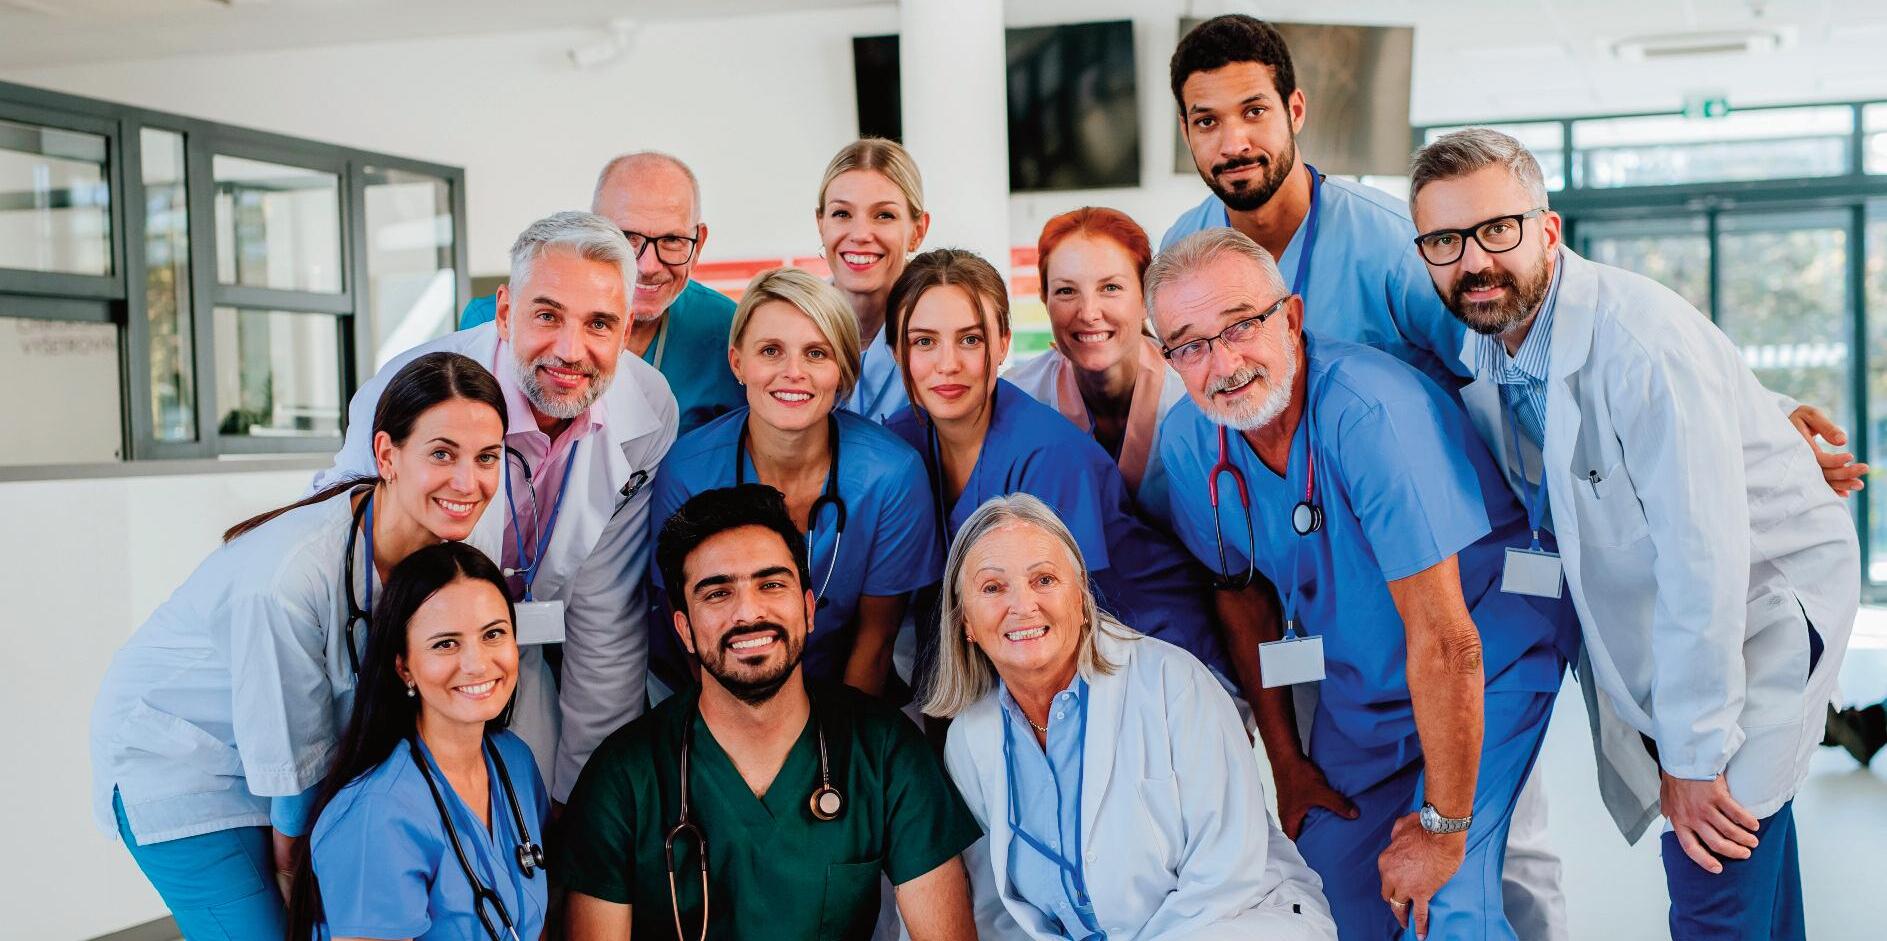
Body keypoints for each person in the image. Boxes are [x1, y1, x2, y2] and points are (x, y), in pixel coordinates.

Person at [1408, 128, 1862, 941]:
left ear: (1547, 230)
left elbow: (1702, 562)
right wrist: (1769, 419)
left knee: (1712, 867)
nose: (1473, 261)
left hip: (1764, 605)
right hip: (1684, 625)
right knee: (1757, 865)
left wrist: (1692, 758)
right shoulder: (1489, 347)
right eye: (1444, 241)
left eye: (1496, 229)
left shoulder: (1634, 341)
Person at [1149, 228, 1578, 940]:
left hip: (1485, 656)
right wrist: (1287, 763)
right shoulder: (1190, 444)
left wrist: (1442, 827)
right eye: (1188, 345)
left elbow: (1447, 641)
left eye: (1240, 325)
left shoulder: (1369, 413)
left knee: (1442, 900)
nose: (1222, 363)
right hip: (1366, 688)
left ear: (1289, 318)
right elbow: (1240, 595)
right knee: (1320, 899)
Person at [90, 352, 508, 940]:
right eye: (442, 454)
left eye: (486, 457)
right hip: (183, 763)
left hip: (291, 766)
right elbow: (289, 761)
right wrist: (298, 878)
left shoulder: (447, 536)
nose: (468, 482)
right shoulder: (287, 579)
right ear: (386, 454)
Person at [314, 211, 679, 802]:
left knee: (542, 808)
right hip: (396, 655)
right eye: (547, 315)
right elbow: (348, 568)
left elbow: (607, 610)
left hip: (515, 655)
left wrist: (584, 799)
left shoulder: (649, 408)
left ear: (626, 328)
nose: (571, 350)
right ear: (505, 313)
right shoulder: (412, 389)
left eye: (599, 323)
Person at [556, 485, 980, 940]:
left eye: (771, 585)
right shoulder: (624, 776)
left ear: (808, 609)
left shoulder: (883, 750)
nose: (748, 613)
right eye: (717, 594)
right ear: (685, 630)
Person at [927, 492, 1337, 940]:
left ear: (1081, 597)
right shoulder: (971, 740)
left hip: (1236, 923)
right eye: (992, 588)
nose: (1023, 605)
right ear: (965, 621)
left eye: (1044, 580)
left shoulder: (1173, 683)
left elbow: (1225, 875)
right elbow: (999, 912)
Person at [883, 248, 1231, 689]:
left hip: (1150, 656)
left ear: (1003, 343)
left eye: (970, 340)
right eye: (924, 342)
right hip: (1016, 659)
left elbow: (1062, 623)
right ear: (896, 351)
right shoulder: (900, 446)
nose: (947, 364)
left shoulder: (1049, 456)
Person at [648, 266, 941, 696]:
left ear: (843, 370)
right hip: (714, 693)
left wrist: (833, 737)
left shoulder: (892, 475)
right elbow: (692, 636)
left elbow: (876, 642)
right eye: (771, 351)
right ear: (737, 362)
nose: (793, 372)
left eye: (816, 354)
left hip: (847, 696)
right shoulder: (687, 471)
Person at [289, 542, 550, 941]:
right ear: (404, 667)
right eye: (446, 643)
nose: (477, 663)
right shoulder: (376, 815)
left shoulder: (514, 761)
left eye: (493, 634)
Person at [461, 152, 742, 435]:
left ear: (698, 243)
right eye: (627, 238)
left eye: (672, 240)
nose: (648, 267)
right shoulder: (485, 323)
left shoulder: (726, 328)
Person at [1005, 207, 1189, 533]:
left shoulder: (1191, 392)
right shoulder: (1016, 398)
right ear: (1044, 298)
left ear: (1147, 296)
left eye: (1110, 288)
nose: (1089, 313)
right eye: (1066, 291)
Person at [817, 137, 932, 422]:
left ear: (918, 231)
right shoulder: (786, 326)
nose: (860, 234)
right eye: (842, 213)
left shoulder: (942, 340)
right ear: (821, 224)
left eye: (884, 215)